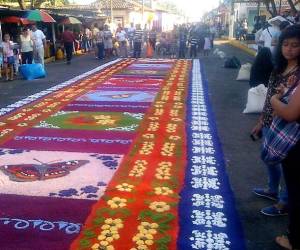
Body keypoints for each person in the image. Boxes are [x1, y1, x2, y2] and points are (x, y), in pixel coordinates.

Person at [268, 25, 300, 250]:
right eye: (285, 44)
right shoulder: (281, 67)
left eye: (295, 45)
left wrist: (274, 101)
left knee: (296, 188)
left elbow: (290, 113)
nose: (289, 49)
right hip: (287, 134)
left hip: (295, 139)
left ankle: (293, 238)